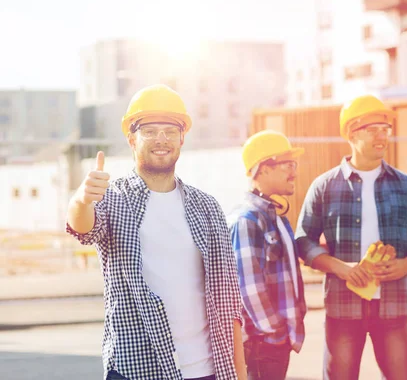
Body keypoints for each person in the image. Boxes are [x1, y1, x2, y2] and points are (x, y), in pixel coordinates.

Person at [65, 84, 246, 380]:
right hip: (136, 369)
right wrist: (82, 198)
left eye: (170, 130)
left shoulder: (208, 208)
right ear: (132, 139)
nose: (161, 139)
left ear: (182, 138)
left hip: (208, 370)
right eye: (149, 130)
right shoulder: (113, 199)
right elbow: (82, 227)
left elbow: (229, 301)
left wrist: (239, 373)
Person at [295, 95, 407, 380]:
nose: (382, 136)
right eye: (373, 129)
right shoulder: (325, 186)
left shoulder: (405, 185)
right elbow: (303, 241)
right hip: (343, 308)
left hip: (394, 307)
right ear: (351, 133)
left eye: (385, 129)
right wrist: (342, 268)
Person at [229, 130, 307, 380]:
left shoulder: (276, 217)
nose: (293, 171)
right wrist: (275, 331)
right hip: (263, 343)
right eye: (287, 164)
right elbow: (249, 288)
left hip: (274, 341)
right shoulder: (247, 220)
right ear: (262, 169)